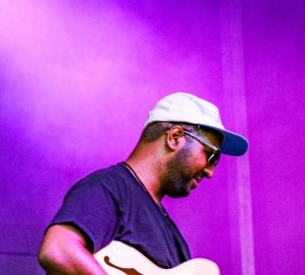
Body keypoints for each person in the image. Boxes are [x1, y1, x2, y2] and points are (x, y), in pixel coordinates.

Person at [38, 92, 248, 274]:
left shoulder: (171, 233)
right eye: (211, 156)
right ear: (175, 137)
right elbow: (58, 250)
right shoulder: (109, 188)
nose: (210, 172)